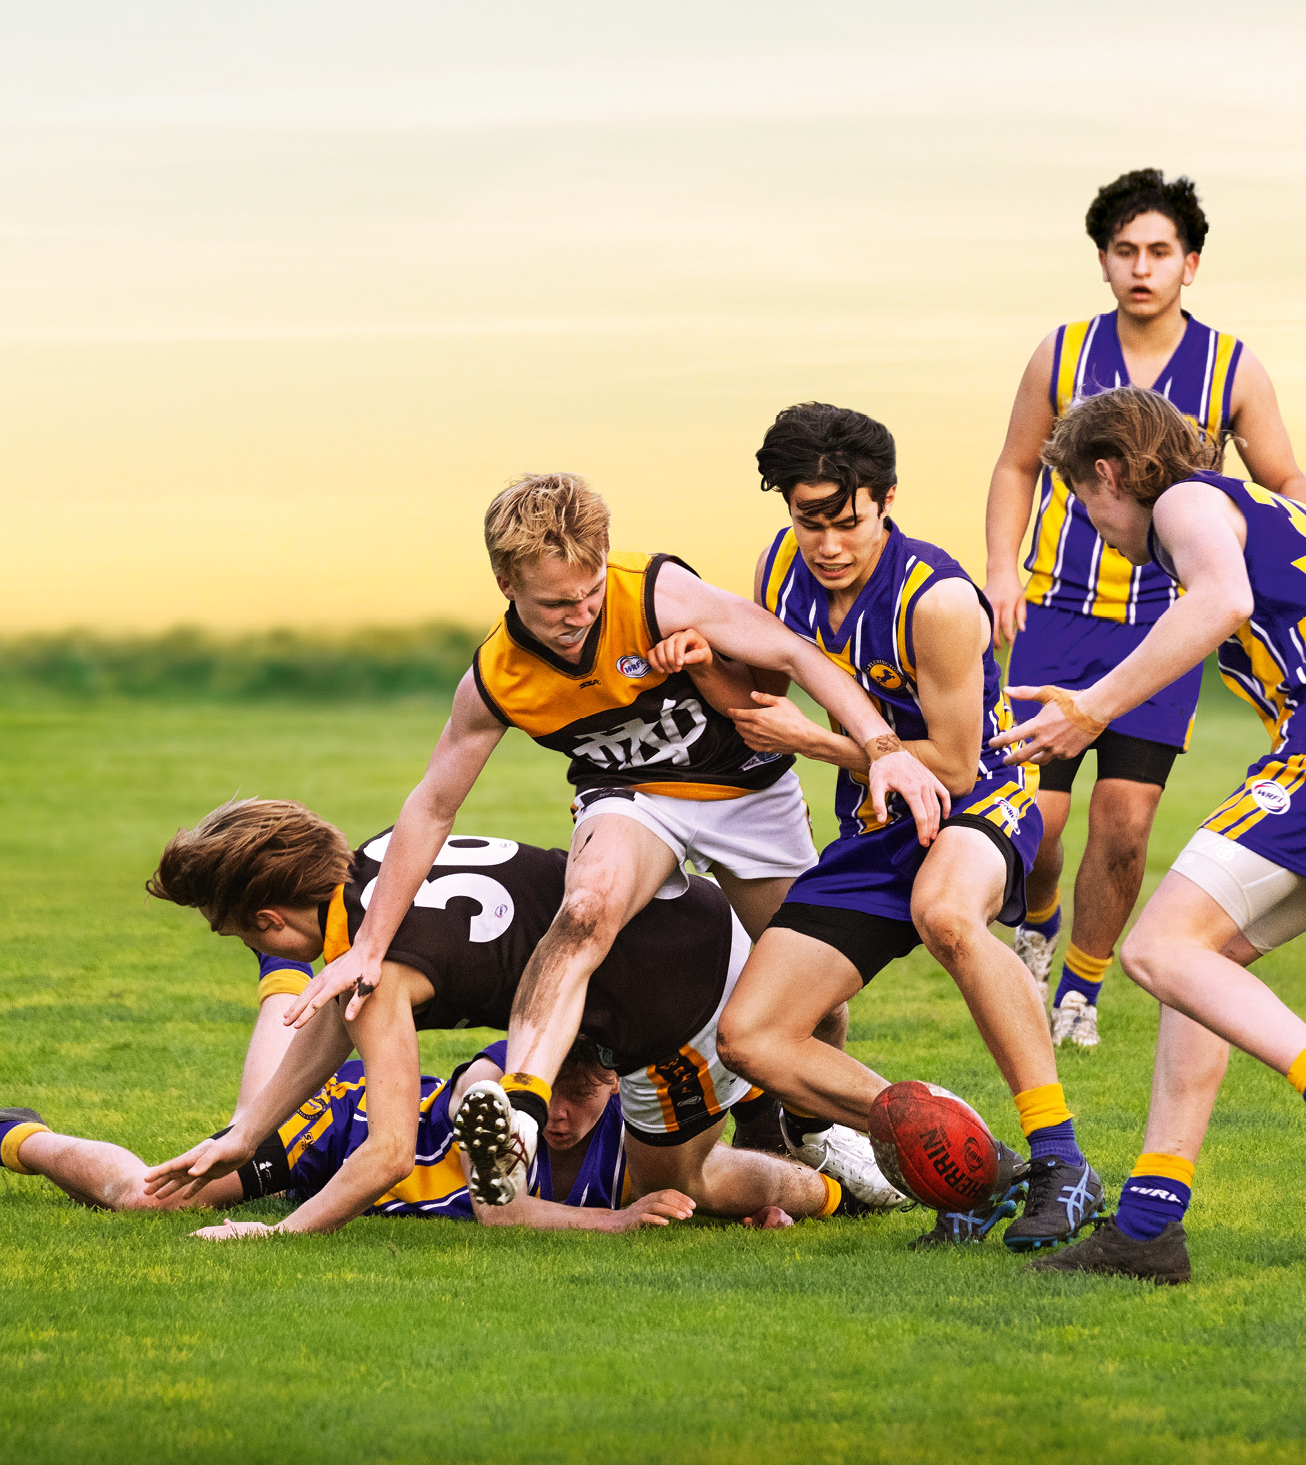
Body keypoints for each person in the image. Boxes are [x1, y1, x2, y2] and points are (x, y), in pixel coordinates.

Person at [282, 472, 940, 1203]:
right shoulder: (499, 677)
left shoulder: (655, 591)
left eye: (589, 591)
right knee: (586, 908)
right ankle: (521, 1117)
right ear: (505, 582)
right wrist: (368, 947)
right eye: (556, 603)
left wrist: (883, 749)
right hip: (635, 798)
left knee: (813, 995)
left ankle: (804, 1128)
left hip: (747, 791)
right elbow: (432, 806)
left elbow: (796, 657)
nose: (579, 613)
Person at [1001, 385, 1306, 1282]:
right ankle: (1149, 1228)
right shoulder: (1285, 522)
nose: (1094, 523)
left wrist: (1094, 709)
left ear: (1109, 472)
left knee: (1152, 951)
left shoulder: (1189, 500)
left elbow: (1221, 602)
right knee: (1201, 966)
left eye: (1082, 499)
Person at [711, 402, 1105, 1254]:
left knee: (947, 915)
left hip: (977, 803)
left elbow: (958, 767)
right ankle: (972, 1167)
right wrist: (690, 659)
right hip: (873, 822)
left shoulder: (940, 600)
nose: (826, 544)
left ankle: (1062, 1159)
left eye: (845, 521)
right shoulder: (779, 568)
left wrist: (814, 740)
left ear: (884, 499)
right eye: (806, 519)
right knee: (752, 1039)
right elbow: (749, 678)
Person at [140, 804, 875, 1233]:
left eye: (242, 937)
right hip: (697, 918)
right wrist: (245, 1135)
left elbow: (388, 1154)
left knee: (691, 1184)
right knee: (778, 1062)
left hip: (682, 1007)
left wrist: (278, 1233)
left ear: (268, 920)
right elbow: (335, 1030)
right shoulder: (375, 867)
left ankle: (848, 1186)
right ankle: (786, 1119)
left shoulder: (377, 978)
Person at [984, 167, 1306, 1049]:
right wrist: (999, 568)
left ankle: (1080, 996)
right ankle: (1036, 927)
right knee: (1035, 824)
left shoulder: (1232, 366)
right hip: (1057, 614)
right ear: (1102, 260)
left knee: (1123, 823)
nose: (1141, 267)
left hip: (1167, 622)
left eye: (1158, 251)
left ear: (1189, 264)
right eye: (1124, 250)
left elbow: (1282, 481)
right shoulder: (1058, 355)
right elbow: (1016, 463)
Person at [0, 1040, 692, 1236]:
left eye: (582, 1096)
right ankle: (9, 1138)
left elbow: (721, 1174)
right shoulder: (522, 1067)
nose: (559, 1113)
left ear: (615, 1086)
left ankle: (286, 972)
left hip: (360, 1182)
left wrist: (801, 1198)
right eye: (555, 1094)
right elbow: (482, 1078)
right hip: (345, 1132)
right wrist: (615, 1225)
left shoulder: (643, 1128)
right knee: (140, 1199)